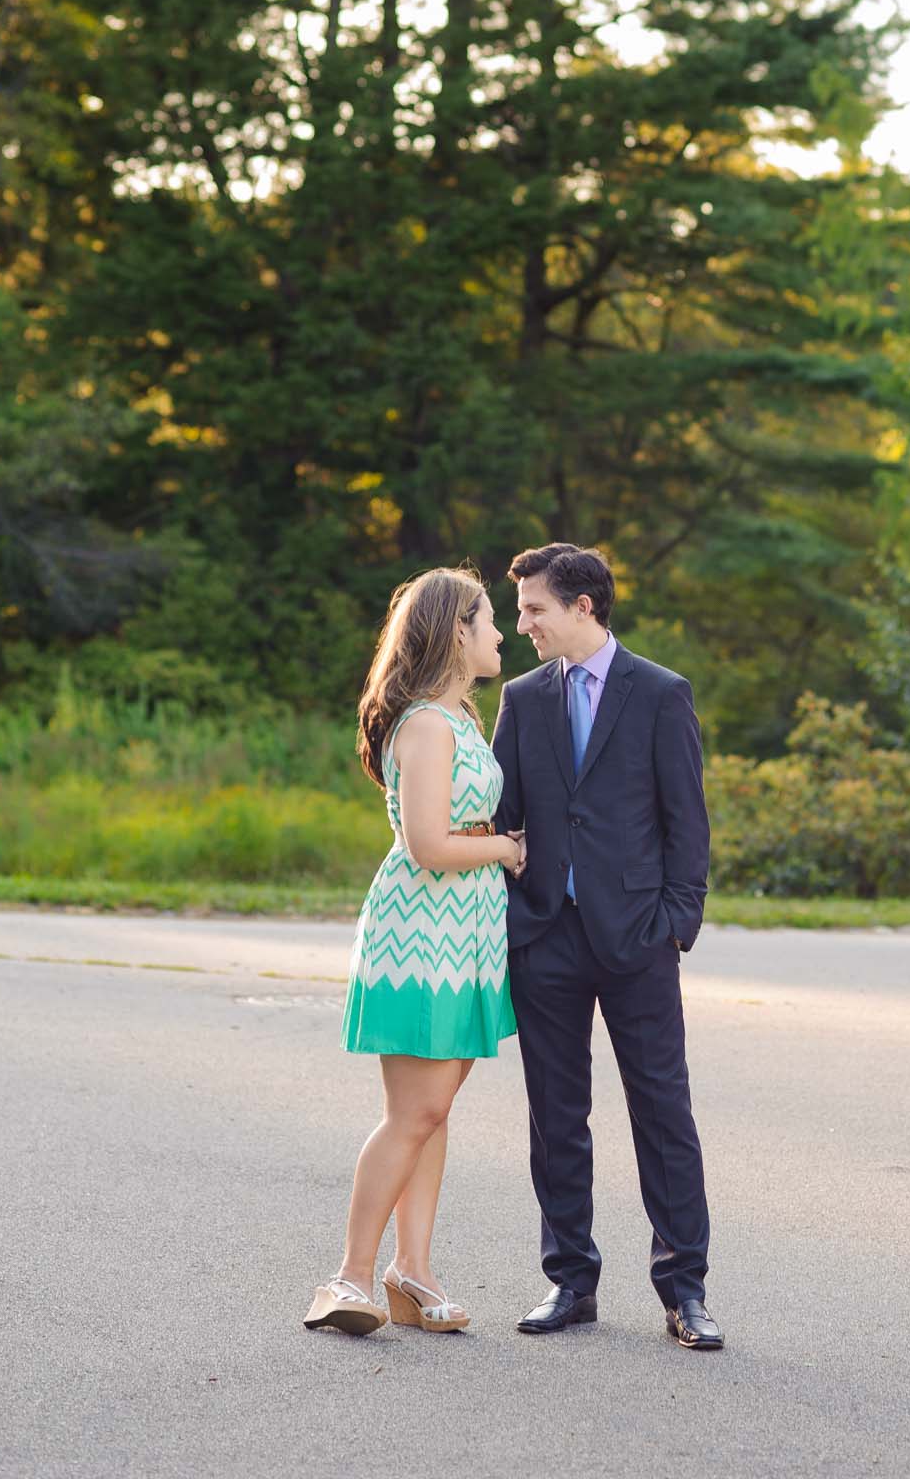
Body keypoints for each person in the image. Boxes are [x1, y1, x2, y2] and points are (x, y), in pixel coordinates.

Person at [492, 542, 723, 1350]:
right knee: (556, 1117)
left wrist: (676, 925)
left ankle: (684, 1290)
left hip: (638, 942)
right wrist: (520, 920)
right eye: (517, 611)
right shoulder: (522, 700)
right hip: (547, 939)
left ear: (582, 606)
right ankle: (569, 1281)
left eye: (533, 609)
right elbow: (503, 816)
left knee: (663, 1112)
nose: (520, 625)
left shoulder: (661, 694)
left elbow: (685, 823)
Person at [304, 567, 524, 1337]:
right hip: (419, 936)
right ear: (456, 631)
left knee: (432, 1113)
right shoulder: (429, 724)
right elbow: (428, 845)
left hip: (463, 937)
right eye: (490, 621)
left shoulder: (458, 715)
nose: (501, 636)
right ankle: (350, 1278)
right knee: (414, 1112)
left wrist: (491, 847)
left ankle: (413, 1273)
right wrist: (504, 846)